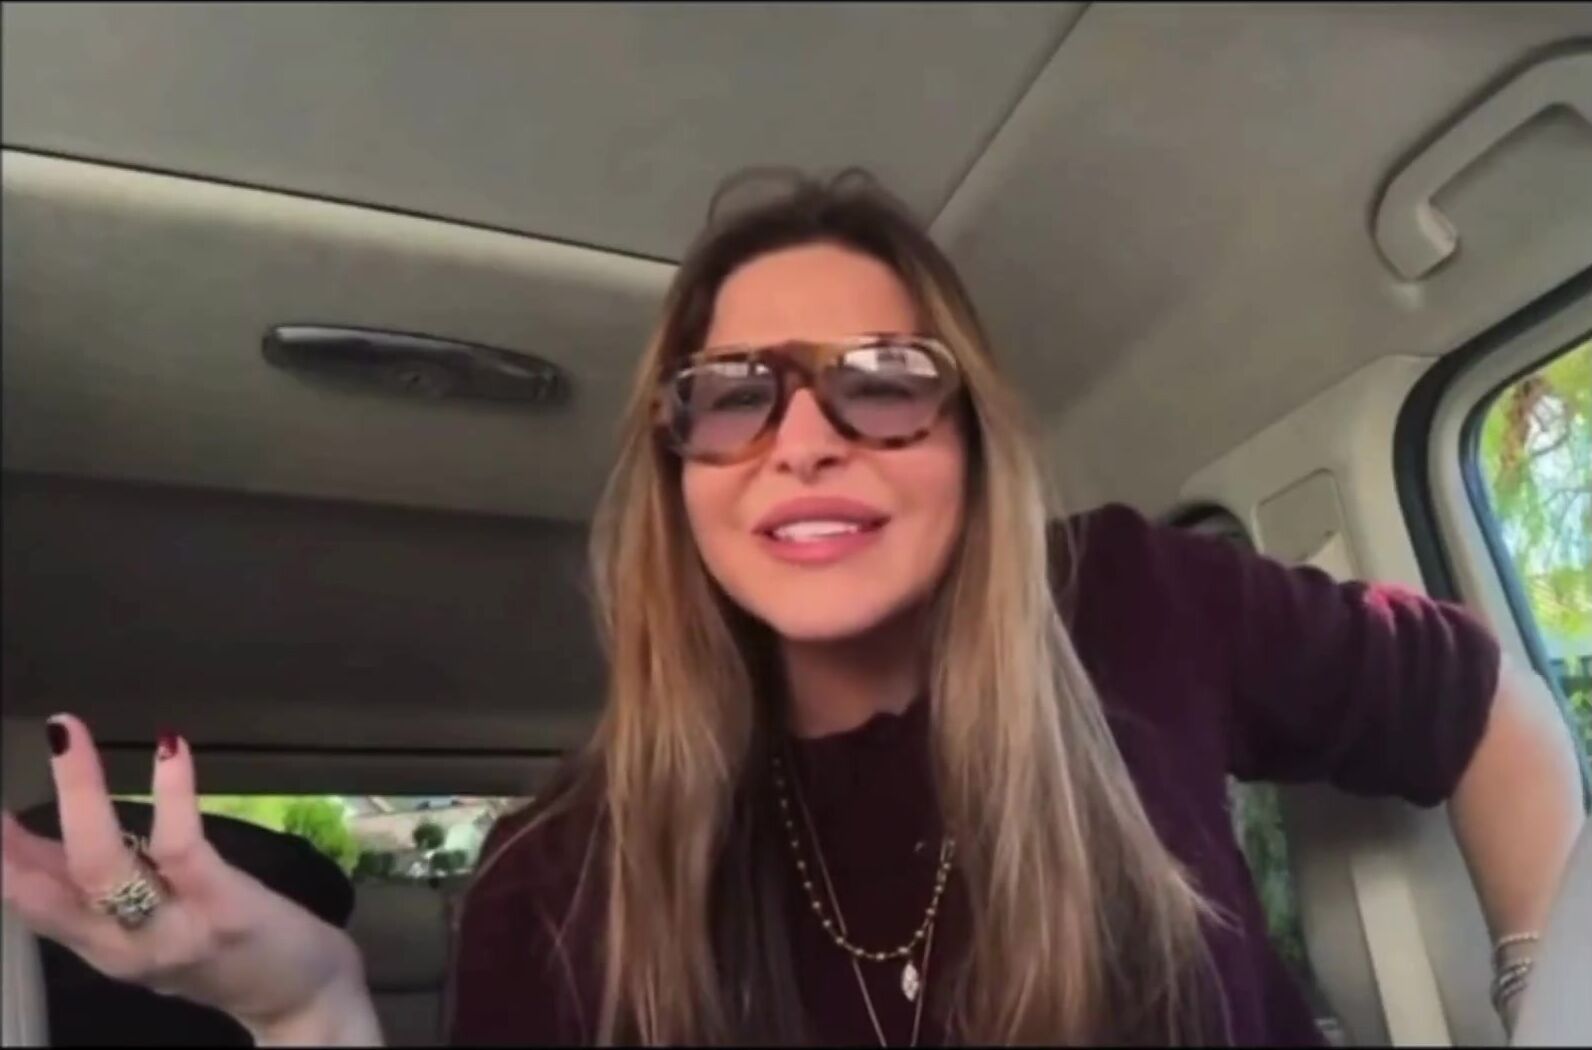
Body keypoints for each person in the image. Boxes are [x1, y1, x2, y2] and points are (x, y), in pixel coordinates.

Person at [1, 170, 1583, 1047]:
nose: (806, 435)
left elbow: (1486, 707)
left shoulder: (1133, 600)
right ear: (679, 473)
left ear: (971, 445)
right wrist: (310, 1006)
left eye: (885, 380)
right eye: (733, 394)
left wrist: (1546, 995)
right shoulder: (556, 884)